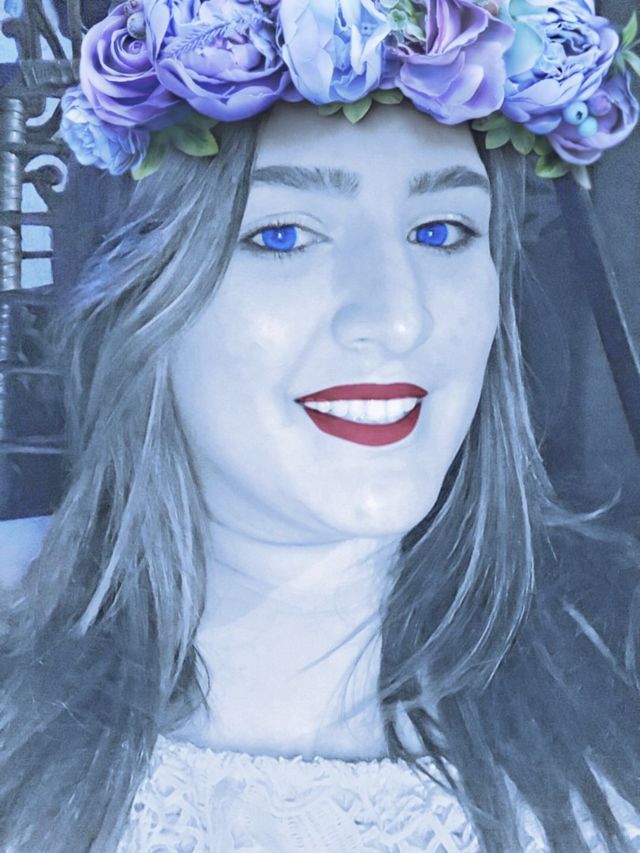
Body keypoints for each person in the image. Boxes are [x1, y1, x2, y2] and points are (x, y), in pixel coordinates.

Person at [1, 0, 639, 850]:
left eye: (441, 230)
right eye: (283, 235)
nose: (396, 317)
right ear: (141, 294)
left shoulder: (617, 678)